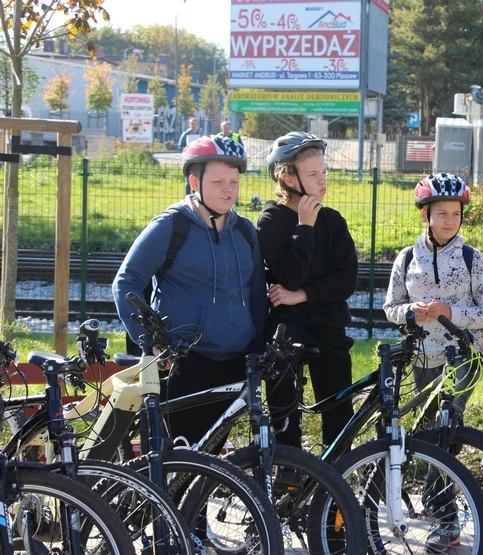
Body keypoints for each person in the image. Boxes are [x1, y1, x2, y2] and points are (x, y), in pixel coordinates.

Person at [112, 135, 267, 446]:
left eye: (234, 182)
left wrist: (257, 348)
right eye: (219, 181)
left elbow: (256, 296)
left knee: (211, 458)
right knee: (184, 457)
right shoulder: (171, 227)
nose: (228, 190)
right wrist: (150, 342)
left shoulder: (245, 231)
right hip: (185, 364)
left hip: (235, 363)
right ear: (194, 181)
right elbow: (126, 283)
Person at [383, 173, 483, 551]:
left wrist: (452, 311)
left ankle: (446, 520)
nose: (450, 220)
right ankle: (442, 507)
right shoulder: (407, 257)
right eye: (442, 214)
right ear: (426, 216)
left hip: (461, 356)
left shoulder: (472, 259)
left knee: (444, 431)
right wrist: (410, 313)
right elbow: (389, 308)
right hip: (422, 357)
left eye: (456, 213)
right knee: (432, 433)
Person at [256, 131, 358, 451]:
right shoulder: (270, 221)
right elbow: (289, 274)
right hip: (289, 325)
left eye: (324, 171)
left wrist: (303, 295)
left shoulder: (334, 221)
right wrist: (304, 227)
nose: (323, 180)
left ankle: (336, 481)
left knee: (339, 408)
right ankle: (288, 474)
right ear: (287, 176)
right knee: (283, 405)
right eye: (313, 174)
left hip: (328, 323)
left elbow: (347, 280)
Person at [178, 118, 201, 195]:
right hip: (188, 159)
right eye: (192, 124)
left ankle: (196, 196)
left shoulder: (200, 134)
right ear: (189, 125)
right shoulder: (185, 134)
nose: (194, 125)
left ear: (197, 125)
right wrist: (187, 148)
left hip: (198, 159)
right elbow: (180, 147)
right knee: (188, 180)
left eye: (195, 124)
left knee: (197, 179)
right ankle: (187, 197)